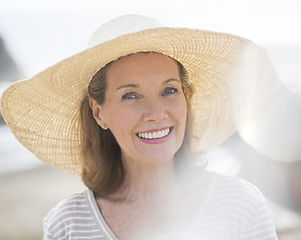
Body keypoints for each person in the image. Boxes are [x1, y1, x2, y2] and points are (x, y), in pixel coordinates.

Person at [1, 15, 278, 240]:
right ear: (99, 113)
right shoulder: (68, 224)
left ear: (186, 98)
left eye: (169, 90)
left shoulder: (241, 205)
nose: (156, 113)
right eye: (130, 95)